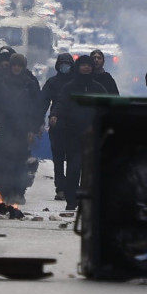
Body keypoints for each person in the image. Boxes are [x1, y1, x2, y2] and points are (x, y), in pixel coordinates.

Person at [49, 55, 108, 210]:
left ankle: (86, 200)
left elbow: (106, 105)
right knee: (74, 167)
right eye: (83, 65)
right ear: (78, 67)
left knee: (90, 169)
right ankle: (71, 200)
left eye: (89, 65)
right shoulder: (69, 87)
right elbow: (61, 103)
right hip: (73, 133)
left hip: (93, 134)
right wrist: (54, 115)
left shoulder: (98, 88)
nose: (86, 67)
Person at [0, 52, 42, 205]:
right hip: (5, 127)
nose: (16, 68)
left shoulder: (30, 84)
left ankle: (18, 191)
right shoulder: (2, 83)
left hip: (23, 128)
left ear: (23, 67)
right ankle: (5, 192)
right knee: (4, 160)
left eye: (19, 65)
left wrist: (33, 128)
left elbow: (36, 108)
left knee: (20, 161)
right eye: (14, 65)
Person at [38, 53, 75, 201]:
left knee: (73, 158)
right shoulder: (52, 83)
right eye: (62, 64)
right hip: (57, 124)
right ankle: (60, 188)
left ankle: (71, 187)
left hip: (74, 124)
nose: (65, 67)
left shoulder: (77, 82)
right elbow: (43, 102)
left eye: (67, 64)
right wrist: (39, 120)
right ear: (58, 66)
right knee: (58, 158)